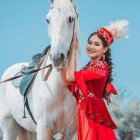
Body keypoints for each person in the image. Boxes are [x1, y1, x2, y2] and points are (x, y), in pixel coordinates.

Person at [60, 19, 129, 140]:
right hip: (84, 112)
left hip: (93, 115)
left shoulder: (101, 67)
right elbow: (67, 81)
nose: (91, 47)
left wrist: (74, 52)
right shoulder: (88, 67)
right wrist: (60, 62)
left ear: (105, 49)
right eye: (89, 42)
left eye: (96, 44)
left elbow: (70, 77)